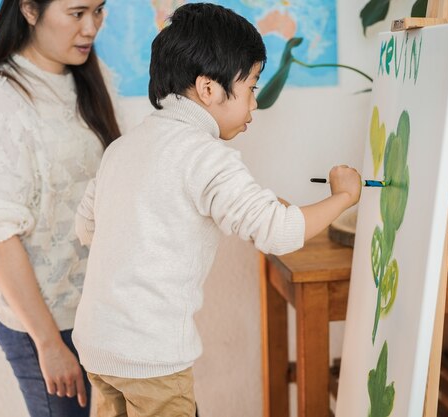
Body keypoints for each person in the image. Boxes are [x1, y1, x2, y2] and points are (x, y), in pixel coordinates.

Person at [71, 3, 361, 417]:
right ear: (209, 89)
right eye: (252, 88)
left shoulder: (122, 148)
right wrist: (343, 197)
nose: (254, 107)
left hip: (99, 347)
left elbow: (87, 228)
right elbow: (278, 233)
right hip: (152, 359)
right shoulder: (205, 156)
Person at [0, 0, 121, 415]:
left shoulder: (88, 80)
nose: (91, 28)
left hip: (94, 309)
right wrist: (47, 342)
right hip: (42, 321)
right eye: (77, 13)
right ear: (29, 10)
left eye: (98, 10)